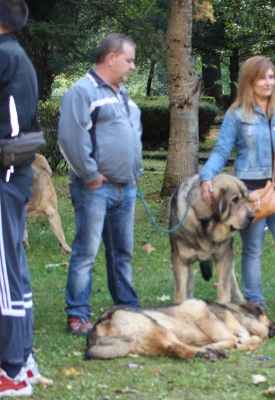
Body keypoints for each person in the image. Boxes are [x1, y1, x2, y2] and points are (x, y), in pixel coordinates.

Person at [200, 56, 275, 321]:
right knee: (253, 250)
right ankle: (254, 303)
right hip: (248, 196)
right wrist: (206, 176)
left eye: (271, 77)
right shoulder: (236, 114)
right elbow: (221, 150)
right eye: (262, 78)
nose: (268, 82)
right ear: (249, 82)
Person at [58, 34, 143, 335]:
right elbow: (71, 138)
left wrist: (135, 170)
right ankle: (78, 315)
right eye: (129, 60)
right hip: (95, 189)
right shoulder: (82, 92)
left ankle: (127, 307)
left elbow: (132, 133)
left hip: (125, 187)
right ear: (111, 58)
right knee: (86, 252)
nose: (133, 66)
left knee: (122, 250)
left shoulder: (122, 94)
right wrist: (91, 176)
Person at [0, 0, 42, 396]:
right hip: (15, 174)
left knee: (4, 275)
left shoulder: (5, 57)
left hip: (6, 175)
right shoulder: (16, 55)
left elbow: (13, 133)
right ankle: (24, 360)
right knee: (14, 268)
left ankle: (10, 372)